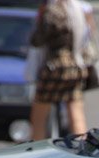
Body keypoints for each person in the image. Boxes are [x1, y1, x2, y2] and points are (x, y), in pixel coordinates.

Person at [28, 0, 90, 139]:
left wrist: (40, 18)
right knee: (75, 110)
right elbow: (87, 35)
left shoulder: (52, 10)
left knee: (39, 113)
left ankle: (36, 146)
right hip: (76, 66)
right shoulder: (78, 8)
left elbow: (37, 40)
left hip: (54, 67)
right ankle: (83, 145)